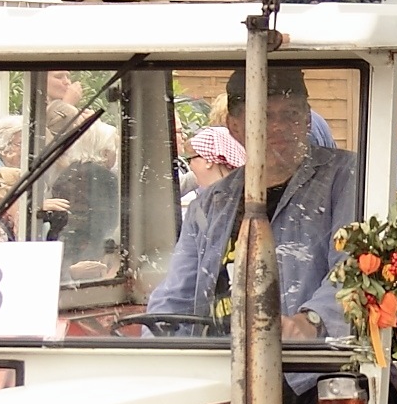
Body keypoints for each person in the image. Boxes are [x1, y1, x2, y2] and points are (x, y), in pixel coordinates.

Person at [147, 66, 355, 347]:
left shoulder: (347, 178)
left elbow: (356, 268)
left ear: (307, 120)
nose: (278, 126)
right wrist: (153, 345)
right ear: (235, 126)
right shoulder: (211, 203)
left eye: (291, 114)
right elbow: (175, 296)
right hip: (219, 366)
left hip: (311, 370)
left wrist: (311, 322)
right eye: (264, 116)